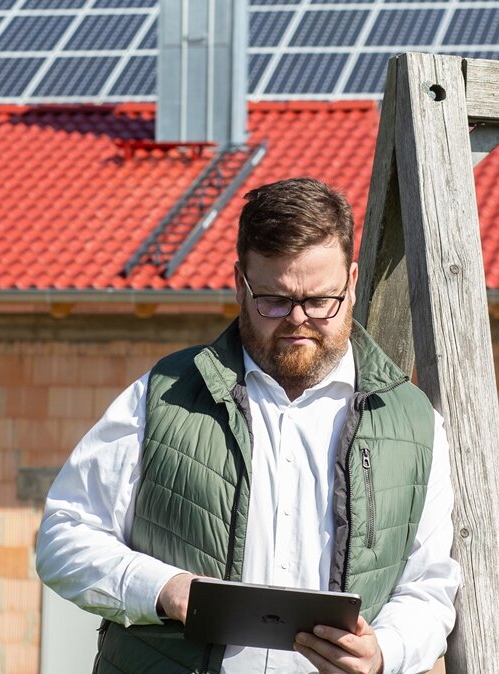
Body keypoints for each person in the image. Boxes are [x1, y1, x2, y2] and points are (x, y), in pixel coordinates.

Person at [36, 177, 460, 674]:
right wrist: (163, 588)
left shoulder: (414, 424)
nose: (298, 320)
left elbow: (429, 587)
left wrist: (386, 650)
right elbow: (63, 537)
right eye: (274, 300)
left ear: (352, 280)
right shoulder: (163, 394)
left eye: (321, 300)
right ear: (240, 283)